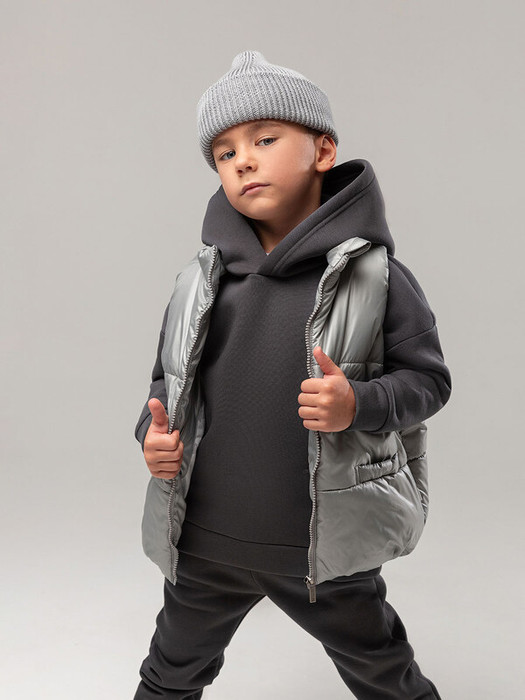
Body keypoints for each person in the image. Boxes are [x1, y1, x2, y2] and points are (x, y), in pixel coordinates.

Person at [133, 50, 452, 700]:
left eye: (265, 139)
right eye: (224, 153)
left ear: (323, 150)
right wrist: (151, 434)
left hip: (321, 547)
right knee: (169, 675)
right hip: (204, 542)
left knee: (384, 673)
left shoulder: (375, 278)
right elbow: (167, 385)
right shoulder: (199, 282)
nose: (242, 161)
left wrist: (357, 403)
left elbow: (428, 383)